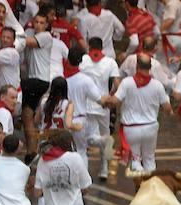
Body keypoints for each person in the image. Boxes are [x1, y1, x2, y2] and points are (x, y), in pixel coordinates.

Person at [108, 54, 171, 172]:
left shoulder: (127, 83)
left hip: (131, 128)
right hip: (151, 127)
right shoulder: (157, 85)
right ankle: (150, 185)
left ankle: (140, 182)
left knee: (136, 160)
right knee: (150, 159)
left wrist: (105, 100)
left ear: (137, 66)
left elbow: (115, 101)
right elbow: (167, 108)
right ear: (150, 67)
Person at [80, 37, 119, 179]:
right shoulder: (110, 62)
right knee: (104, 135)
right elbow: (116, 83)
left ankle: (85, 172)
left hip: (87, 105)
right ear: (102, 48)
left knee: (86, 139)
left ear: (89, 46)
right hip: (104, 105)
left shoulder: (83, 60)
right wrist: (111, 95)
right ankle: (104, 169)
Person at [65, 45, 110, 168]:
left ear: (68, 60)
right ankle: (83, 181)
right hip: (80, 119)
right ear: (81, 61)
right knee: (81, 151)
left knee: (67, 152)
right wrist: (109, 100)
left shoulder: (61, 78)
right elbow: (100, 100)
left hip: (64, 121)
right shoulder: (85, 80)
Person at [22, 12, 55, 157]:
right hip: (33, 79)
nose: (38, 25)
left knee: (27, 116)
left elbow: (28, 42)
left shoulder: (46, 36)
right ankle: (32, 149)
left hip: (38, 80)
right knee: (29, 116)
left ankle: (32, 151)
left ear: (47, 25)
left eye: (42, 23)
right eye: (36, 22)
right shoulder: (32, 34)